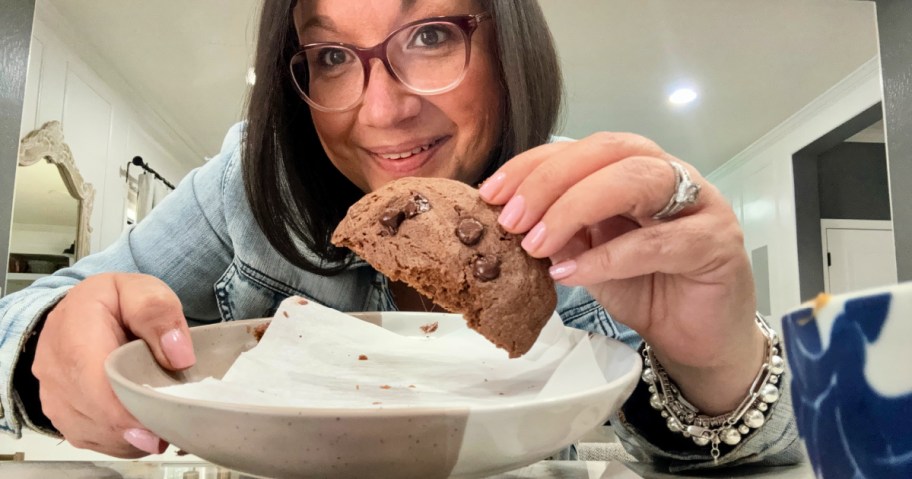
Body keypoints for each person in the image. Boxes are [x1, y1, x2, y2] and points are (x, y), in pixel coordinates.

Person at [0, 0, 802, 472]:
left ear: (508, 38)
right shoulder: (252, 183)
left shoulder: (597, 219)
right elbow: (36, 311)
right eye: (332, 54)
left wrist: (717, 363)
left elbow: (744, 455)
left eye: (428, 36)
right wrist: (48, 343)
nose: (380, 112)